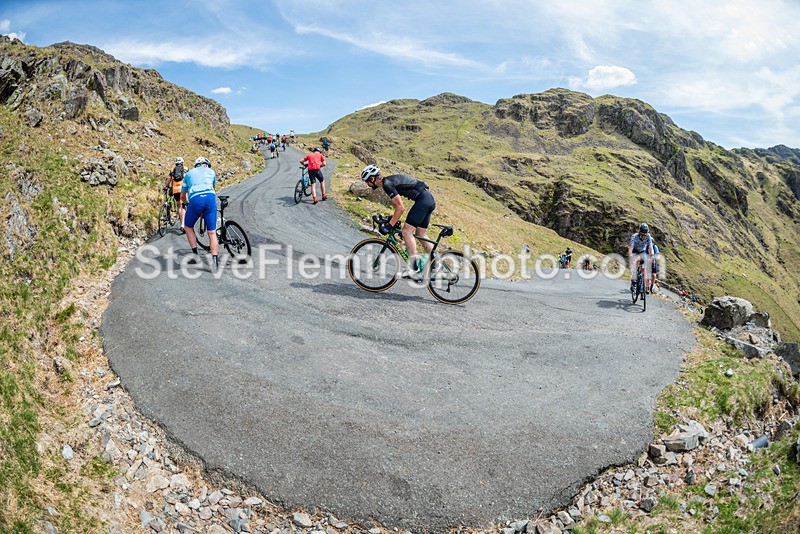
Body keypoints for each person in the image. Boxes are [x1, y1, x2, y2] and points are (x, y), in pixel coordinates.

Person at [361, 164, 436, 280]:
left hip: (423, 200)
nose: (367, 184)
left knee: (406, 232)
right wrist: (390, 220)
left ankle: (413, 268)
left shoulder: (387, 184)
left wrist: (389, 226)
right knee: (420, 234)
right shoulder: (389, 181)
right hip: (428, 199)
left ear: (372, 179)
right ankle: (436, 262)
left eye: (367, 181)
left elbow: (400, 208)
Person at [181, 157, 219, 269]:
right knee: (212, 233)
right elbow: (213, 187)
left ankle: (195, 256)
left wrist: (186, 204)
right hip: (210, 198)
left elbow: (182, 195)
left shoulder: (188, 174)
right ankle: (215, 261)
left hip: (196, 199)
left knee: (188, 227)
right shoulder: (211, 171)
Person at [628, 223, 654, 293]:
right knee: (635, 261)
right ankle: (633, 278)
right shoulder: (634, 236)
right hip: (635, 251)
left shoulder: (648, 236)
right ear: (639, 232)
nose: (643, 237)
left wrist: (652, 257)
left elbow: (650, 248)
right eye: (642, 235)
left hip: (642, 251)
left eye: (644, 235)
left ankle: (644, 283)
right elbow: (630, 248)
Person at [165, 157, 187, 234]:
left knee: (179, 206)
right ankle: (183, 225)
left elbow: (168, 180)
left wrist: (166, 187)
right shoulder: (185, 168)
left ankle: (182, 223)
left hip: (175, 190)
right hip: (183, 189)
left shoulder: (172, 170)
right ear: (182, 162)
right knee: (184, 206)